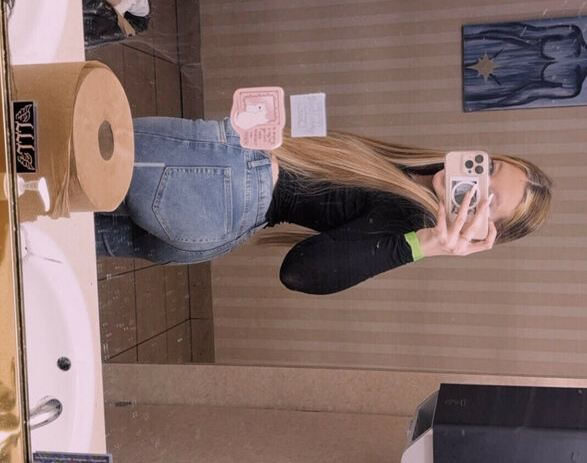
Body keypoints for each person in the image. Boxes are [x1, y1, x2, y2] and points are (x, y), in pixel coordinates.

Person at [94, 116, 552, 295]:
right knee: (66, 225)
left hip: (230, 183)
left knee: (78, 153)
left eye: (490, 200)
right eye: (490, 168)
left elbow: (299, 272)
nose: (476, 183)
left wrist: (426, 245)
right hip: (222, 217)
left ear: (481, 232)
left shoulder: (411, 220)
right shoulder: (407, 171)